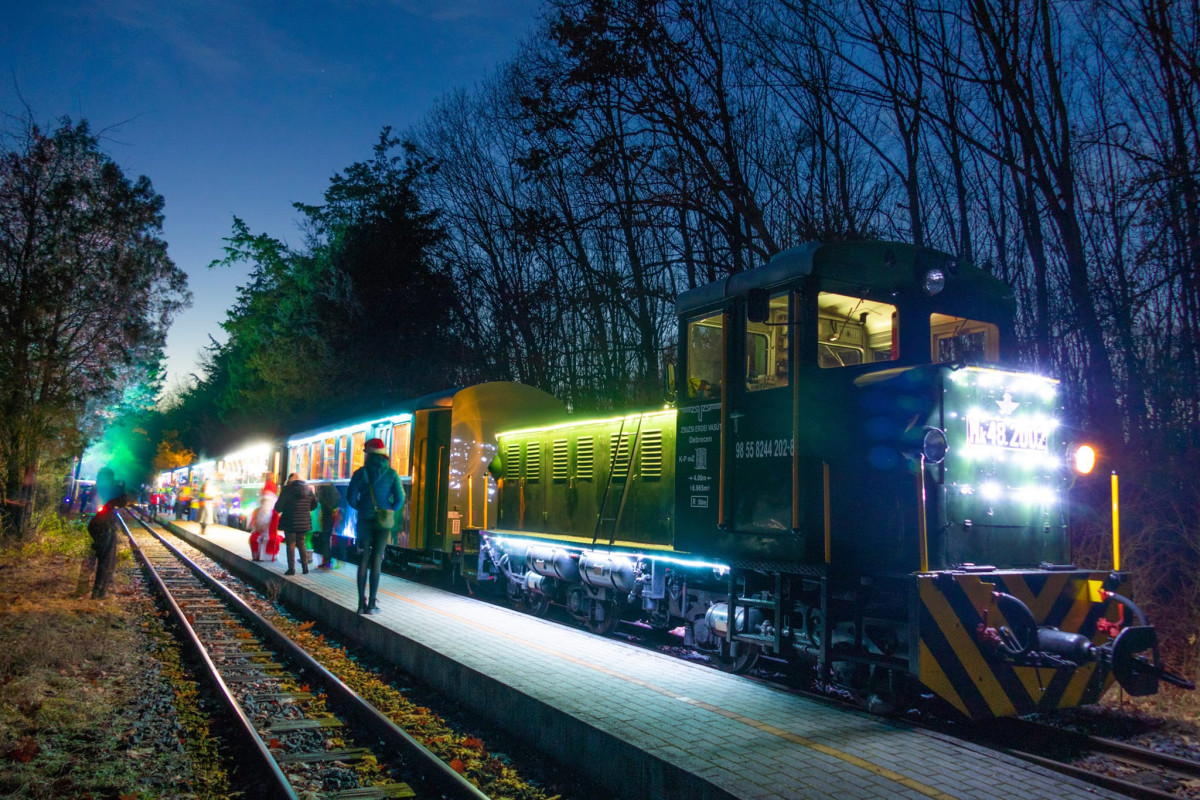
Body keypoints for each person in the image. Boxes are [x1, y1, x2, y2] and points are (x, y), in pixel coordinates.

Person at [346, 438, 404, 614]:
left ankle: (360, 604)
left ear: (368, 455)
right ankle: (372, 604)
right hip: (383, 523)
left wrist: (362, 508)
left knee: (363, 559)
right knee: (377, 559)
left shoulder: (360, 473)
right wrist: (389, 510)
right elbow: (400, 498)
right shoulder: (392, 474)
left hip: (364, 520)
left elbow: (350, 498)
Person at [88, 493, 129, 599]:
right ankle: (98, 593)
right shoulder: (107, 511)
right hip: (106, 542)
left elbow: (92, 526)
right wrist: (100, 539)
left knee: (106, 567)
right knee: (104, 567)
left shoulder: (109, 509)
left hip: (106, 541)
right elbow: (92, 526)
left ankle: (99, 592)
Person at [276, 472, 317, 576]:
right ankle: (305, 568)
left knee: (291, 545)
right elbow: (314, 505)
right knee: (301, 543)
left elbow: (278, 507)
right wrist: (306, 510)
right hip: (303, 521)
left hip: (289, 521)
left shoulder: (287, 490)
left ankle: (291, 569)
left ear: (290, 480)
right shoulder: (308, 490)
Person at [248, 477, 279, 561]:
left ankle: (259, 556)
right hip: (269, 531)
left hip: (266, 532)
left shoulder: (266, 501)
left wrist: (257, 526)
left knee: (257, 537)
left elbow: (263, 518)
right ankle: (263, 556)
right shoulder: (272, 502)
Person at [314, 482, 341, 570]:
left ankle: (327, 561)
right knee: (326, 539)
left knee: (324, 539)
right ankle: (327, 560)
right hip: (331, 516)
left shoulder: (325, 490)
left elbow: (321, 503)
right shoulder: (334, 490)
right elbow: (337, 501)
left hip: (326, 516)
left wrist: (321, 499)